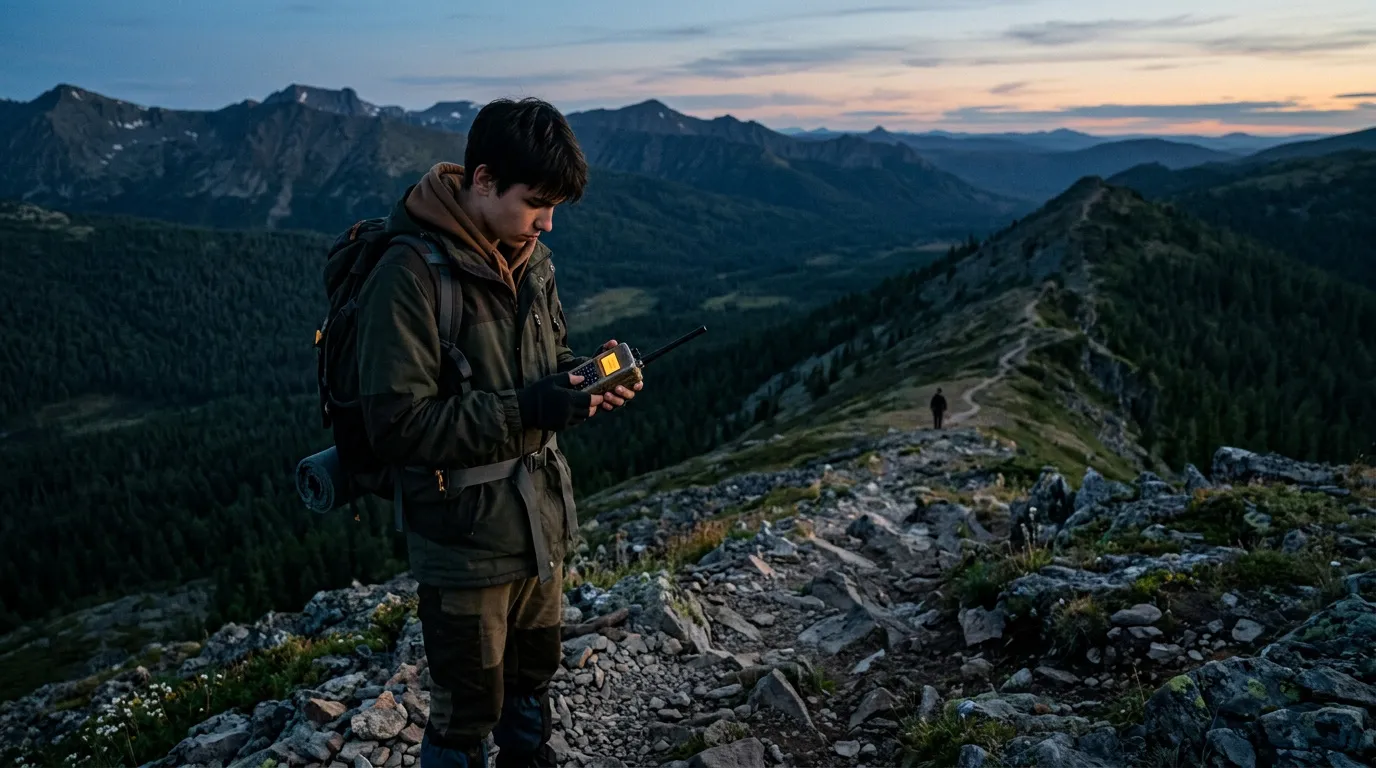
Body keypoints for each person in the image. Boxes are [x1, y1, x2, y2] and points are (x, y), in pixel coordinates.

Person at [354, 97, 641, 768]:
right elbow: (396, 426)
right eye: (535, 202)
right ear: (483, 180)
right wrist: (530, 409)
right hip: (462, 540)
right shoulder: (408, 275)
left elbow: (542, 370)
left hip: (539, 521)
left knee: (532, 679)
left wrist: (577, 385)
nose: (547, 223)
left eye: (554, 208)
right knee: (466, 709)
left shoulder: (532, 261)